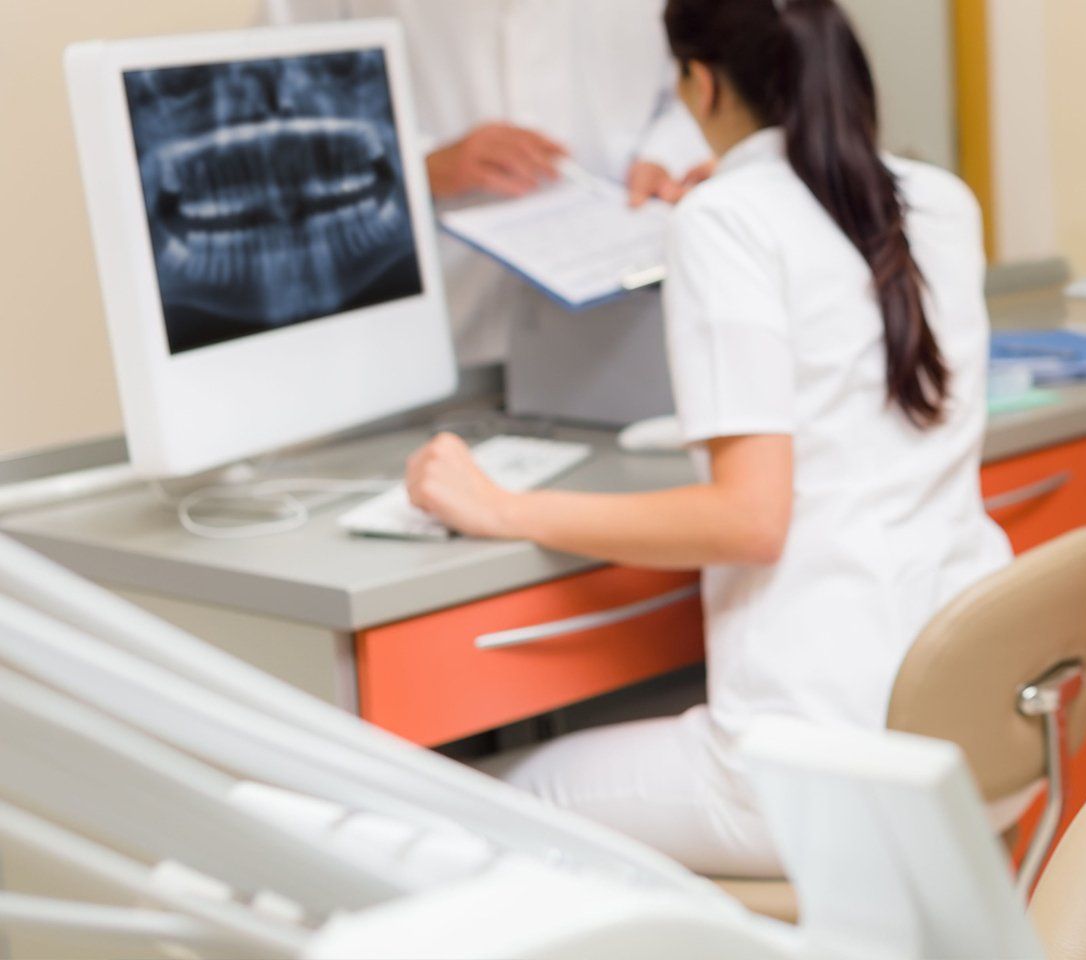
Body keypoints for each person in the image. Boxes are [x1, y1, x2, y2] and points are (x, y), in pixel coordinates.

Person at [397, 0, 1012, 877]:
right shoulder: (942, 202)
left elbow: (749, 519)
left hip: (817, 763)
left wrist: (501, 506)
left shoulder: (726, 220)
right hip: (962, 736)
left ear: (703, 83)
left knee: (479, 801)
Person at [261, 0, 712, 366]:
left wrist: (665, 156)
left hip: (627, 304)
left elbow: (708, 83)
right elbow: (273, 108)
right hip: (432, 311)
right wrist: (413, 163)